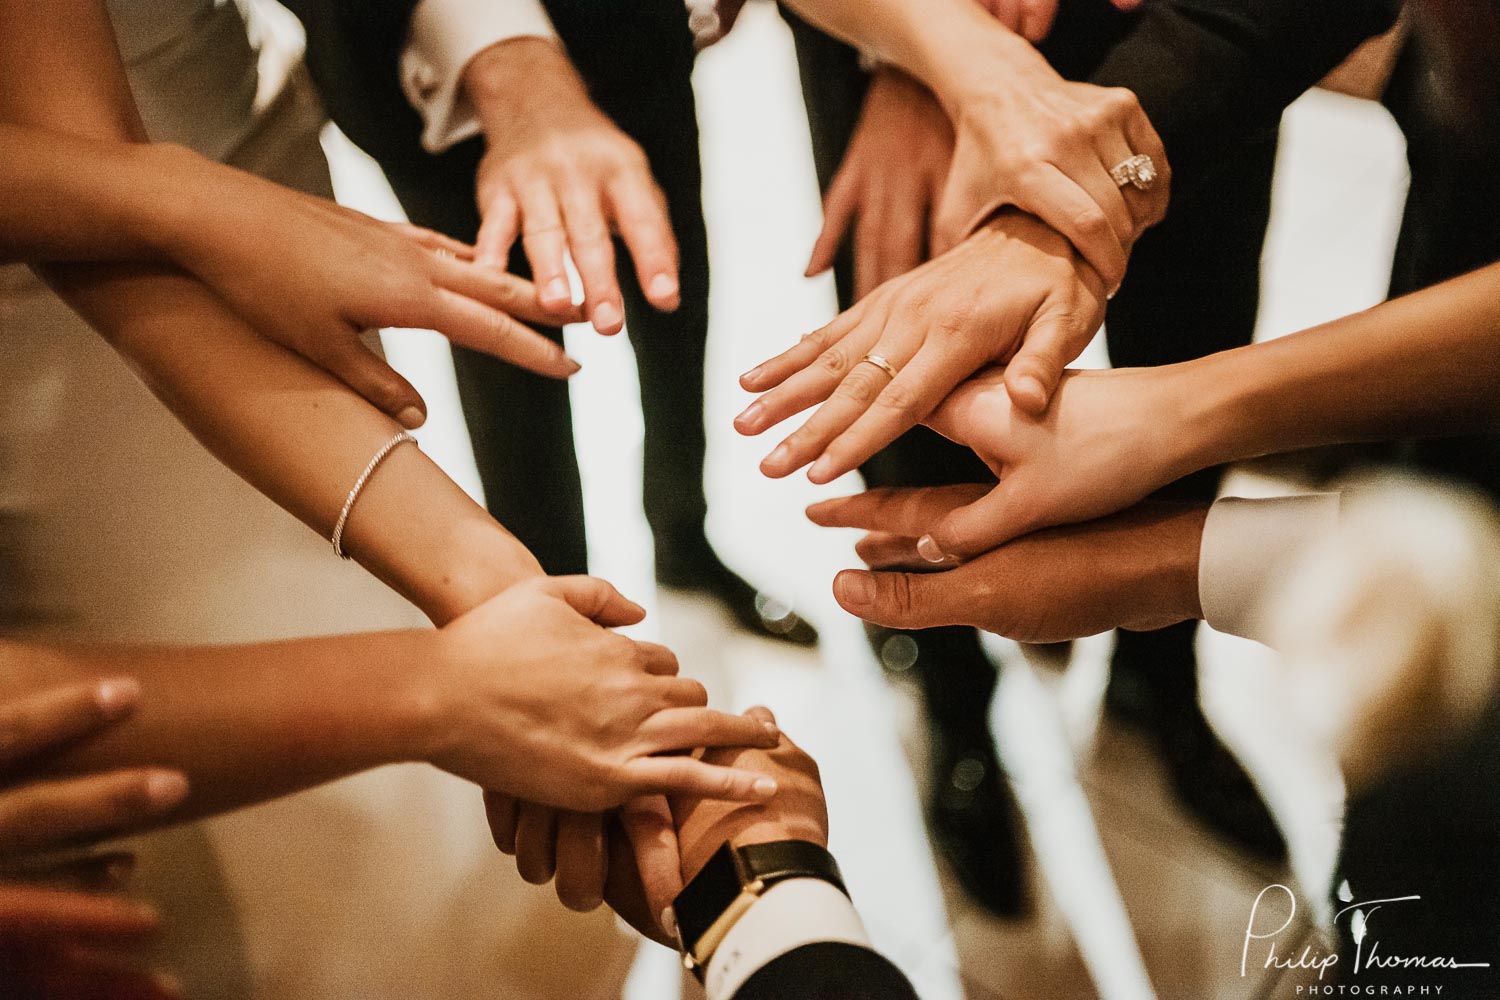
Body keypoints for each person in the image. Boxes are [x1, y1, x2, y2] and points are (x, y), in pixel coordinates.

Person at [288, 0, 818, 644]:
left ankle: (683, 540)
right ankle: (563, 615)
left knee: (673, 302)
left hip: (631, 34)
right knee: (511, 377)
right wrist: (502, 54)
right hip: (413, 66)